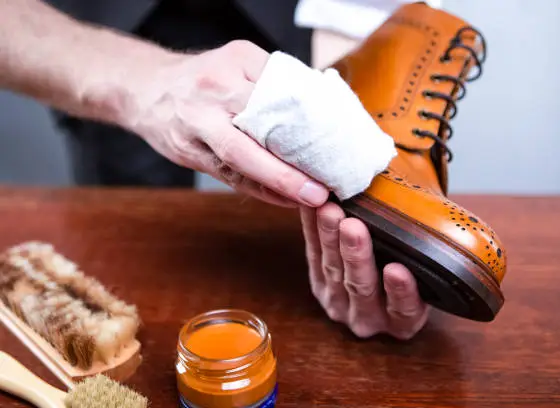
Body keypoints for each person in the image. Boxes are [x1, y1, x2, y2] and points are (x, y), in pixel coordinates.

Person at [0, 0, 429, 340]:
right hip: (97, 26)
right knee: (134, 251)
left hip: (299, 17)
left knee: (315, 216)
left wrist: (369, 86)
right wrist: (134, 80)